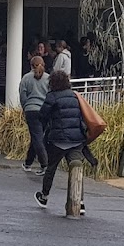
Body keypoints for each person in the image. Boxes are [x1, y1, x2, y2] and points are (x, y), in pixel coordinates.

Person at [34, 70, 86, 216]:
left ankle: (44, 197)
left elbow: (42, 115)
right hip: (76, 140)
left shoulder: (52, 96)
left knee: (51, 168)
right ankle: (80, 202)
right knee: (76, 167)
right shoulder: (75, 95)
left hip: (57, 140)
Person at [20, 56, 50, 176]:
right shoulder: (48, 78)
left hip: (31, 110)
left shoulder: (26, 78)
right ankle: (28, 163)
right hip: (44, 110)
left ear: (31, 65)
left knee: (37, 137)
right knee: (37, 136)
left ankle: (44, 164)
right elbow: (51, 94)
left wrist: (25, 107)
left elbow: (23, 95)